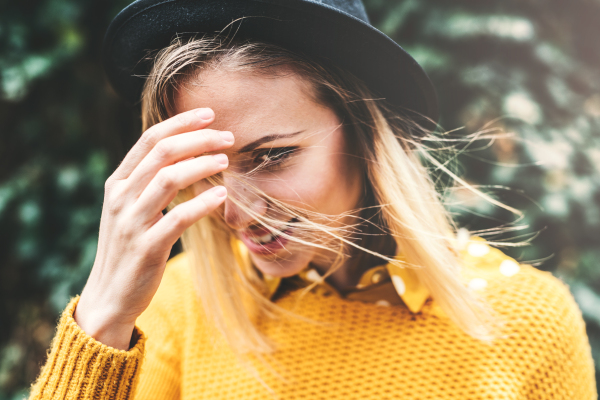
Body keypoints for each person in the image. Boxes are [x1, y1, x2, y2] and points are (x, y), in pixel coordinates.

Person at [29, 0, 597, 399]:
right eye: (208, 171)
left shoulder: (529, 320)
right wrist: (103, 316)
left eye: (272, 155)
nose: (235, 211)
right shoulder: (177, 308)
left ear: (363, 131)